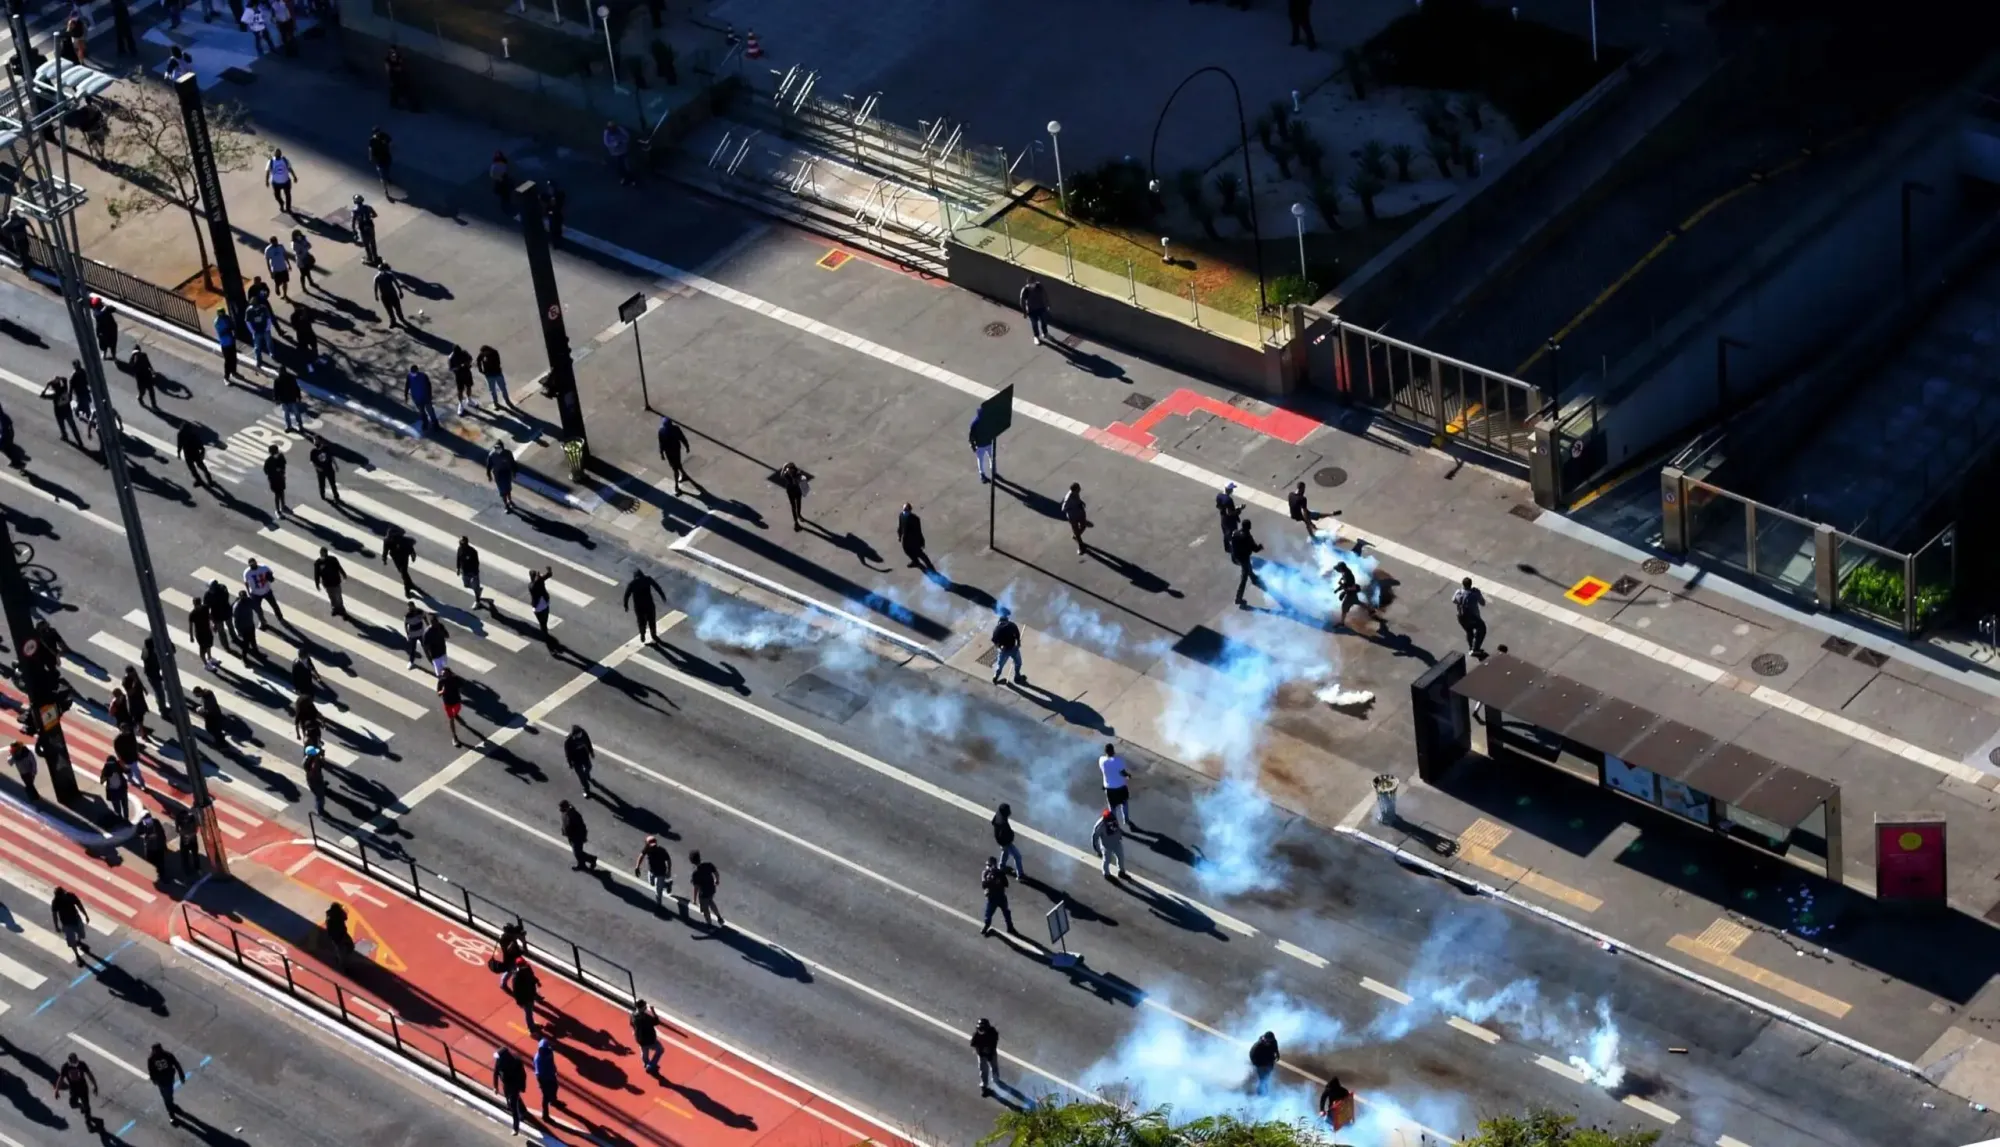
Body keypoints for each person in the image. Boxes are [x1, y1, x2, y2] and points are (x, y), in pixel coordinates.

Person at [53, 1052, 99, 1130]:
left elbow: (89, 1074)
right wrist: (56, 1090)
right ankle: (81, 1106)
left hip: (83, 1087)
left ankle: (88, 1122)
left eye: (76, 1060)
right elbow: (61, 1078)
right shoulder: (65, 1067)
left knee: (87, 1105)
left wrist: (95, 1085)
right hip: (73, 1088)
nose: (75, 1063)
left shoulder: (82, 1064)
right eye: (73, 1062)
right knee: (73, 1104)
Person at [147, 1043, 187, 1127]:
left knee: (169, 1095)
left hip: (168, 1080)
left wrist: (181, 1076)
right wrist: (181, 1076)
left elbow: (176, 1065)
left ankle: (172, 1106)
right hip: (162, 1081)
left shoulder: (163, 1056)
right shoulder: (158, 1057)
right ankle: (171, 1113)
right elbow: (151, 1072)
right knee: (166, 1097)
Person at [493, 1046, 529, 1133]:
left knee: (513, 1107)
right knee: (513, 1100)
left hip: (514, 1086)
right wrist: (496, 1086)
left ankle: (515, 1128)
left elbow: (523, 1075)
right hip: (506, 1085)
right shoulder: (499, 1062)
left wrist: (522, 1087)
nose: (497, 1059)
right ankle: (523, 1110)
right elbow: (495, 1073)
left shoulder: (516, 1062)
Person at [623, 568, 664, 642]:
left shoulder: (632, 584)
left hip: (639, 607)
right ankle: (653, 635)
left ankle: (642, 634)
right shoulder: (647, 579)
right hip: (649, 604)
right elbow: (657, 587)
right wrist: (662, 596)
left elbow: (626, 595)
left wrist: (626, 606)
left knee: (641, 622)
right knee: (652, 621)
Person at [51, 885, 90, 962]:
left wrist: (85, 915)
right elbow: (54, 914)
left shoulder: (70, 896)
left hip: (76, 919)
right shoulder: (55, 902)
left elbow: (79, 905)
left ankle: (79, 941)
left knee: (81, 934)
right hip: (66, 924)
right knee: (71, 941)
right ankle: (77, 955)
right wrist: (56, 926)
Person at [1099, 743, 1133, 831]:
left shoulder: (1101, 760)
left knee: (1112, 807)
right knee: (1124, 803)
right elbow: (1122, 773)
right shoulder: (1118, 761)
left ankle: (1115, 823)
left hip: (1109, 788)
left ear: (1105, 752)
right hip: (1120, 786)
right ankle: (1126, 820)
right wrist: (1128, 775)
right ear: (1113, 751)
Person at [1230, 520, 1264, 607]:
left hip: (1235, 556)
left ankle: (1253, 577)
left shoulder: (1235, 533)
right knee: (1244, 578)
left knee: (1248, 566)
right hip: (1243, 558)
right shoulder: (1247, 537)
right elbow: (1255, 549)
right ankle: (1238, 598)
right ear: (1249, 527)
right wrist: (1260, 546)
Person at [503, 956, 542, 1032]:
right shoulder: (516, 977)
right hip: (525, 998)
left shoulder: (526, 969)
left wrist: (537, 981)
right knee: (528, 1013)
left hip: (530, 994)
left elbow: (532, 976)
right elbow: (516, 992)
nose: (526, 965)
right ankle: (531, 1027)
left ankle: (532, 1025)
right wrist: (520, 1002)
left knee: (530, 1011)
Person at [978, 856, 1014, 936]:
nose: (988, 867)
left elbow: (1006, 884)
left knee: (1006, 912)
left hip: (1001, 896)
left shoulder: (999, 873)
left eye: (990, 865)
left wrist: (998, 877)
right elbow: (984, 885)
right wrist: (991, 879)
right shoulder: (985, 873)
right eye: (988, 865)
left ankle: (1010, 927)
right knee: (988, 914)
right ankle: (987, 925)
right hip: (992, 898)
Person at [244, 555, 283, 626]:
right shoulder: (247, 572)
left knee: (274, 605)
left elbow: (270, 574)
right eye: (251, 565)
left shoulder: (263, 568)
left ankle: (280, 617)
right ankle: (262, 621)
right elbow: (246, 582)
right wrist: (248, 592)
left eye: (254, 564)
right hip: (255, 594)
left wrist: (270, 577)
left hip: (267, 591)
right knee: (258, 609)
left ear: (256, 562)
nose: (253, 566)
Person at [42, 371, 79, 444]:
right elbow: (65, 379)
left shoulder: (54, 395)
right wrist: (59, 378)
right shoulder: (64, 388)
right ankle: (79, 440)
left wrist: (47, 386)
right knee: (73, 426)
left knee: (62, 426)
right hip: (68, 411)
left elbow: (42, 395)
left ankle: (65, 436)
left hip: (59, 414)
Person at [656, 415, 691, 493]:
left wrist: (661, 453)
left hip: (669, 453)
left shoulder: (661, 431)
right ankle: (683, 475)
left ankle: (676, 486)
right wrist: (687, 446)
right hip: (676, 450)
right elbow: (682, 438)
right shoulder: (675, 429)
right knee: (677, 464)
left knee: (675, 469)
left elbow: (661, 444)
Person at [633, 834, 672, 905]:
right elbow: (641, 856)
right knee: (652, 883)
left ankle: (659, 904)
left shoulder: (662, 850)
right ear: (647, 845)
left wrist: (668, 870)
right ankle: (667, 885)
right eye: (651, 845)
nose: (653, 847)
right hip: (651, 871)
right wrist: (637, 867)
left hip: (661, 873)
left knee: (658, 890)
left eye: (654, 845)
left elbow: (668, 860)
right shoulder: (646, 849)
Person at [1453, 577, 1488, 656]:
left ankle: (1471, 648)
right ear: (1471, 584)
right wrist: (1478, 594)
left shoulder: (1459, 592)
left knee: (1469, 631)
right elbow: (1483, 603)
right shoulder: (1474, 593)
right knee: (1482, 629)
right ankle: (1475, 649)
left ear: (1463, 584)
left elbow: (1454, 600)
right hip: (1473, 617)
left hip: (1461, 617)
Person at [630, 999, 665, 1076]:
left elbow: (631, 1024)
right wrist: (653, 1011)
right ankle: (650, 1065)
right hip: (649, 1039)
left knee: (644, 1052)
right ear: (642, 1008)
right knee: (660, 1050)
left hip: (640, 1039)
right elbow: (656, 1021)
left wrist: (635, 1031)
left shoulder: (633, 1015)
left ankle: (646, 1063)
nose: (646, 1007)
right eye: (645, 1006)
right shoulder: (646, 1018)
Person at [558, 799, 595, 871]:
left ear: (566, 807)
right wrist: (563, 830)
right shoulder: (565, 813)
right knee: (577, 852)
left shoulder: (574, 815)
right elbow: (564, 823)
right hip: (571, 836)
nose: (560, 810)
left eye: (561, 808)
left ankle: (590, 860)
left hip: (577, 837)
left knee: (577, 852)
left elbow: (582, 827)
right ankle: (584, 863)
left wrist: (584, 837)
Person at [897, 502, 935, 572]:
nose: (904, 511)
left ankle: (930, 566)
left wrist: (921, 541)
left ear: (909, 510)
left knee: (920, 553)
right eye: (904, 509)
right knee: (907, 551)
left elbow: (918, 531)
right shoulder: (901, 515)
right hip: (905, 539)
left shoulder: (915, 519)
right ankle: (915, 561)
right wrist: (899, 536)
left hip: (913, 540)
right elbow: (900, 527)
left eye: (906, 510)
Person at [689, 850, 723, 926]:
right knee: (710, 901)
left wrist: (694, 899)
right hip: (711, 889)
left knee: (705, 909)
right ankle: (719, 918)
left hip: (703, 893)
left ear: (692, 861)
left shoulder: (695, 873)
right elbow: (716, 873)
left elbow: (696, 887)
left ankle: (709, 925)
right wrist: (717, 881)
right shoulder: (708, 865)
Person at [313, 545, 348, 618]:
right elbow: (317, 574)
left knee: (338, 596)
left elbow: (339, 567)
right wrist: (317, 584)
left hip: (336, 582)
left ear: (326, 553)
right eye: (321, 553)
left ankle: (341, 608)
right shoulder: (318, 563)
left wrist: (343, 574)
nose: (322, 554)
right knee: (332, 597)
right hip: (327, 584)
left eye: (323, 553)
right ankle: (335, 608)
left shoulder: (333, 559)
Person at [382, 524, 418, 595]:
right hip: (396, 558)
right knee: (403, 572)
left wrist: (413, 556)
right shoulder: (387, 541)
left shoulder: (402, 540)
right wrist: (384, 558)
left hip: (404, 556)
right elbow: (385, 550)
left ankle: (407, 589)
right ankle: (410, 584)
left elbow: (410, 549)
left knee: (403, 572)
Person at [1091, 807, 1126, 879]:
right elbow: (1095, 838)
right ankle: (1106, 874)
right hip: (1107, 845)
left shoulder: (1112, 818)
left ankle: (1121, 872)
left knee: (1121, 857)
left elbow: (1117, 828)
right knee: (1107, 860)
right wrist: (1098, 850)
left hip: (1116, 843)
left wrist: (1119, 836)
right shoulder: (1100, 826)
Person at [990, 609, 1023, 685]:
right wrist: (1018, 644)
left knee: (1014, 663)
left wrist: (1018, 643)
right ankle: (1015, 676)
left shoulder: (1004, 627)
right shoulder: (1005, 627)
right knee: (1015, 663)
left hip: (1008, 649)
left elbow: (1017, 634)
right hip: (1008, 649)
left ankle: (1015, 676)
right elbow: (994, 640)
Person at [970, 1018, 1001, 1098]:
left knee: (994, 1065)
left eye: (982, 1030)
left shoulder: (993, 1033)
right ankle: (984, 1084)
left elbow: (994, 1043)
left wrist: (990, 1052)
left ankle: (995, 1078)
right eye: (979, 1029)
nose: (980, 1031)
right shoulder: (976, 1035)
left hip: (991, 1052)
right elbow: (973, 1044)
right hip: (981, 1054)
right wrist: (980, 1052)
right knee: (983, 1069)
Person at [439, 668, 469, 747]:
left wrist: (457, 687)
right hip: (447, 703)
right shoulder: (441, 681)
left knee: (456, 712)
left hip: (456, 701)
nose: (443, 676)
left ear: (449, 673)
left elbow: (462, 685)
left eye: (445, 674)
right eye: (442, 675)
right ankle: (454, 736)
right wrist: (442, 691)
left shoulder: (455, 678)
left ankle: (455, 715)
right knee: (451, 719)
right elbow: (438, 693)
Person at [991, 802, 1022, 877]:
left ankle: (1001, 866)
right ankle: (1020, 875)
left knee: (1005, 852)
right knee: (1017, 856)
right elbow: (1005, 834)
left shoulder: (998, 815)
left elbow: (993, 822)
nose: (1010, 812)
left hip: (1000, 840)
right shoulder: (1003, 823)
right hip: (1005, 842)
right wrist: (1009, 839)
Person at [532, 1036, 560, 1119]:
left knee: (555, 1087)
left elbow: (552, 1061)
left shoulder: (549, 1052)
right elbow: (538, 1073)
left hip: (551, 1075)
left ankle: (553, 1101)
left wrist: (554, 1070)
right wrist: (541, 1084)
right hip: (544, 1079)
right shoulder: (538, 1059)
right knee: (545, 1097)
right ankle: (545, 1115)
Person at [1019, 275, 1051, 345]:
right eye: (1031, 284)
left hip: (1041, 307)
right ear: (1028, 284)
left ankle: (1045, 333)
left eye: (1034, 283)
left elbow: (1045, 295)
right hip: (1031, 310)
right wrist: (1024, 312)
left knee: (1044, 321)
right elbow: (1022, 302)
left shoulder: (1039, 286)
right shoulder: (1025, 290)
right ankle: (1036, 337)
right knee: (1034, 324)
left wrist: (1047, 304)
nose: (1033, 285)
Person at [385, 45, 419, 110]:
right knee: (402, 92)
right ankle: (410, 106)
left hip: (398, 80)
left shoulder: (391, 60)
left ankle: (397, 103)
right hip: (398, 80)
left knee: (400, 92)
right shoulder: (391, 62)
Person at [485, 442, 516, 512]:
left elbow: (513, 462)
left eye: (498, 448)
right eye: (496, 448)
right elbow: (488, 466)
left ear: (502, 447)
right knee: (502, 491)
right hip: (498, 475)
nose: (497, 449)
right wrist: (489, 475)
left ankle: (510, 500)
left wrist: (514, 472)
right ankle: (506, 505)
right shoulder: (492, 455)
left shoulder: (508, 453)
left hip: (507, 473)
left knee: (508, 489)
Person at [1060, 482, 1089, 555]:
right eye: (1078, 489)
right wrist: (1072, 509)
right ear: (1074, 490)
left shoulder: (1075, 493)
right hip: (1073, 517)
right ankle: (1081, 547)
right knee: (1076, 531)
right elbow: (1063, 508)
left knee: (1083, 526)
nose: (1080, 490)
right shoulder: (1068, 498)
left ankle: (1076, 535)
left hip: (1080, 513)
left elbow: (1077, 498)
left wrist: (1081, 502)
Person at [528, 567, 554, 649]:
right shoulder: (533, 585)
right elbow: (538, 582)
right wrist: (540, 577)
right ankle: (545, 634)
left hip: (541, 606)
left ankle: (545, 634)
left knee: (543, 622)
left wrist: (548, 572)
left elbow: (548, 575)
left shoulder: (536, 582)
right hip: (542, 606)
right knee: (543, 622)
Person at [351, 194, 380, 265]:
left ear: (355, 202)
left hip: (362, 228)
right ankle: (375, 257)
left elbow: (353, 222)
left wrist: (354, 230)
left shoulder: (355, 211)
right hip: (370, 226)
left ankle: (369, 258)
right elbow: (375, 215)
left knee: (366, 244)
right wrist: (369, 216)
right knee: (373, 242)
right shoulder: (368, 207)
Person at [777, 462, 808, 530]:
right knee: (793, 506)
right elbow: (781, 475)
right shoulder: (786, 473)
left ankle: (799, 515)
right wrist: (784, 467)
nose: (789, 471)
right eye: (788, 469)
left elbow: (799, 481)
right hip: (790, 491)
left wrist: (794, 477)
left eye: (790, 469)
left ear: (793, 469)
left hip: (797, 491)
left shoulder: (797, 473)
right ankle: (796, 522)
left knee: (798, 504)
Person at [602, 120, 634, 185]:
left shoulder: (620, 130)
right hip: (615, 153)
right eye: (610, 128)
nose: (612, 129)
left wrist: (621, 141)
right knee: (620, 166)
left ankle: (631, 179)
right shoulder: (607, 132)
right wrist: (614, 144)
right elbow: (606, 143)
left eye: (613, 127)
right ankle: (623, 178)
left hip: (623, 151)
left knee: (627, 165)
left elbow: (627, 137)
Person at [454, 536, 482, 607]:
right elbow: (458, 558)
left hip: (473, 572)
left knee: (475, 586)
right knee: (466, 585)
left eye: (462, 544)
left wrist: (475, 575)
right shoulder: (459, 549)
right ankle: (479, 590)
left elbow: (476, 563)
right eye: (460, 543)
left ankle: (477, 601)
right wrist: (458, 568)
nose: (460, 545)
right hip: (464, 572)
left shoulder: (473, 552)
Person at [101, 755, 131, 821]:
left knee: (124, 806)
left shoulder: (118, 767)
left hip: (121, 789)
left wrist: (122, 764)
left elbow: (128, 771)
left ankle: (126, 819)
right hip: (113, 791)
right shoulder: (107, 769)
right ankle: (120, 818)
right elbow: (102, 780)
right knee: (118, 808)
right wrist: (107, 774)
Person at [1249, 1031, 1280, 1095]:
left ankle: (1265, 1088)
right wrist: (1257, 1064)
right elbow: (1252, 1055)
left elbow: (1275, 1048)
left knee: (1267, 1076)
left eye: (1270, 1041)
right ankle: (1260, 1092)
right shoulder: (1257, 1046)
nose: (1269, 1043)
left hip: (1269, 1062)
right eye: (1268, 1041)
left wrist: (1277, 1054)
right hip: (1260, 1064)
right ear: (1264, 1039)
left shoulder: (1273, 1041)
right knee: (1262, 1078)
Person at [274, 366, 304, 431]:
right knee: (293, 413)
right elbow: (296, 388)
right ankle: (297, 425)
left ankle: (291, 426)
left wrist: (276, 399)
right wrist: (298, 397)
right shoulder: (289, 378)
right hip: (289, 399)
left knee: (289, 413)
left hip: (287, 399)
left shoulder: (278, 380)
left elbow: (276, 391)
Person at [447, 344, 475, 415]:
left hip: (467, 373)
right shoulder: (451, 358)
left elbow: (470, 358)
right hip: (459, 376)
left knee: (469, 387)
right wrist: (458, 367)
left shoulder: (464, 352)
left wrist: (467, 363)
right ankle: (460, 404)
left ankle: (469, 400)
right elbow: (450, 368)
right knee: (460, 391)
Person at [303, 743, 330, 816]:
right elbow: (322, 766)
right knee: (320, 797)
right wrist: (320, 758)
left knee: (320, 792)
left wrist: (320, 757)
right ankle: (320, 810)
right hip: (315, 782)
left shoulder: (309, 759)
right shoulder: (312, 764)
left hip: (317, 779)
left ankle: (319, 807)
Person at [214, 308, 240, 382]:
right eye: (221, 313)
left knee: (234, 358)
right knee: (228, 361)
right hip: (225, 344)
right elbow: (222, 332)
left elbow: (232, 326)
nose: (223, 314)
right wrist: (229, 329)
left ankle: (234, 372)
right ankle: (226, 377)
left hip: (231, 341)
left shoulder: (227, 318)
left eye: (223, 313)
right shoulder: (217, 322)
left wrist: (233, 330)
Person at [265, 147, 295, 212]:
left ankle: (288, 208)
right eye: (276, 153)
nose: (278, 154)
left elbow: (290, 168)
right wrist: (266, 181)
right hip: (276, 183)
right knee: (277, 196)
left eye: (279, 153)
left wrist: (294, 176)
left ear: (281, 154)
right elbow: (267, 171)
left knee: (288, 195)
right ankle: (281, 203)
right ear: (274, 154)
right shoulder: (271, 161)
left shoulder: (285, 160)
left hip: (286, 182)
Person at [262, 443, 289, 514]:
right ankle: (278, 509)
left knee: (282, 492)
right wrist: (275, 470)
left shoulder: (281, 456)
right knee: (277, 494)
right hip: (274, 480)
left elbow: (284, 464)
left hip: (281, 477)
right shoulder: (268, 461)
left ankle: (283, 505)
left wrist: (282, 471)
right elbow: (266, 471)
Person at [367, 126, 394, 197]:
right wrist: (371, 157)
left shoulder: (384, 136)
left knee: (387, 169)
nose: (377, 133)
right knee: (382, 175)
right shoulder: (372, 140)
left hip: (386, 157)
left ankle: (387, 178)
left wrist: (387, 145)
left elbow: (390, 142)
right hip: (379, 160)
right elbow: (370, 149)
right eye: (376, 132)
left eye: (378, 132)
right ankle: (385, 189)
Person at [1215, 482, 1242, 550]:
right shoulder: (1229, 500)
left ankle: (1227, 547)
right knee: (1233, 535)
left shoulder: (1219, 496)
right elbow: (1230, 513)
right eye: (1232, 489)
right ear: (1229, 490)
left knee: (1226, 534)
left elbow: (1218, 506)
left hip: (1223, 519)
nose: (1233, 490)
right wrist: (1239, 510)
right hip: (1230, 521)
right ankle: (1235, 550)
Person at [291, 228, 319, 295]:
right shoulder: (294, 244)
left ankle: (311, 282)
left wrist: (304, 247)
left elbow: (309, 245)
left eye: (299, 234)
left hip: (306, 257)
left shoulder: (303, 239)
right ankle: (303, 287)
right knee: (303, 274)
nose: (299, 236)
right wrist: (305, 247)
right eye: (297, 235)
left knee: (308, 272)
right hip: (301, 261)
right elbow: (299, 252)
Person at [264, 235, 292, 300]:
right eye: (274, 242)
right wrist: (270, 272)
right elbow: (267, 262)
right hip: (276, 269)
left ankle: (285, 295)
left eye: (276, 242)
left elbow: (285, 255)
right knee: (278, 283)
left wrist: (289, 265)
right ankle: (277, 287)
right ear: (271, 242)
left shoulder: (281, 246)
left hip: (283, 268)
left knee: (285, 282)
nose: (275, 243)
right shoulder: (268, 250)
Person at [130, 344, 158, 409]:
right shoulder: (133, 359)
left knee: (151, 391)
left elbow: (148, 363)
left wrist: (152, 371)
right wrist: (133, 356)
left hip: (147, 376)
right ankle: (140, 397)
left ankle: (154, 406)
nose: (137, 353)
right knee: (142, 391)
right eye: (136, 352)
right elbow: (131, 367)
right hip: (140, 379)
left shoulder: (144, 355)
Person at [91, 296, 118, 362]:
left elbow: (113, 309)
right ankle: (109, 354)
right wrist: (105, 309)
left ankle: (111, 355)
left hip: (107, 330)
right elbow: (99, 314)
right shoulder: (97, 312)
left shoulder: (99, 310)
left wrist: (106, 308)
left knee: (109, 344)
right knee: (107, 344)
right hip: (107, 331)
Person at [401, 602, 427, 669]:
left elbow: (424, 617)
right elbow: (405, 625)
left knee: (425, 646)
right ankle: (411, 662)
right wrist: (407, 634)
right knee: (413, 649)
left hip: (421, 632)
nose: (410, 609)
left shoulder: (420, 611)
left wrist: (428, 625)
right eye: (409, 607)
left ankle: (432, 659)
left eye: (411, 607)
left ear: (414, 606)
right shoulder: (407, 615)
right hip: (413, 634)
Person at [969, 414, 993, 483]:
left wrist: (972, 445)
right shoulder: (978, 423)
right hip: (984, 444)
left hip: (983, 444)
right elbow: (971, 436)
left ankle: (984, 473)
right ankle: (984, 473)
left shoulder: (975, 424)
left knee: (982, 459)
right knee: (987, 457)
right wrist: (972, 444)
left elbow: (971, 436)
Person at [488, 151, 513, 216]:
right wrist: (500, 178)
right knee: (504, 194)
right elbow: (493, 174)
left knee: (506, 193)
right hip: (500, 181)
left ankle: (507, 205)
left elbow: (506, 169)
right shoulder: (495, 165)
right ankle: (505, 207)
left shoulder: (502, 162)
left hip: (504, 179)